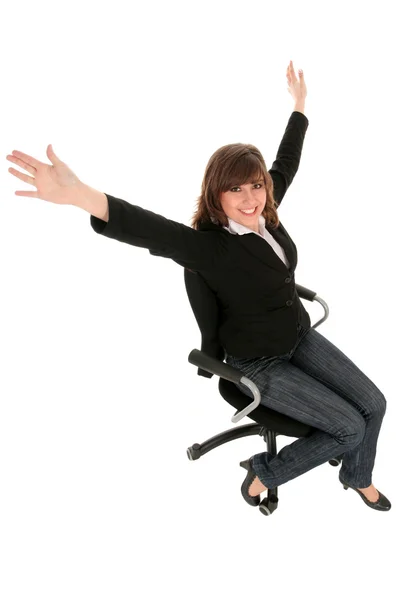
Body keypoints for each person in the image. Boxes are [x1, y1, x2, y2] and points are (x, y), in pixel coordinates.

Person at [6, 61, 390, 512]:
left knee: (375, 404)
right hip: (260, 361)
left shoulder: (265, 211)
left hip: (298, 336)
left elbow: (287, 161)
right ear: (217, 196)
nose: (251, 199)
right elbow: (149, 228)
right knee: (349, 426)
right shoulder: (211, 249)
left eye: (256, 186)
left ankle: (356, 475)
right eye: (236, 192)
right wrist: (79, 194)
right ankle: (261, 475)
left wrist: (300, 107)